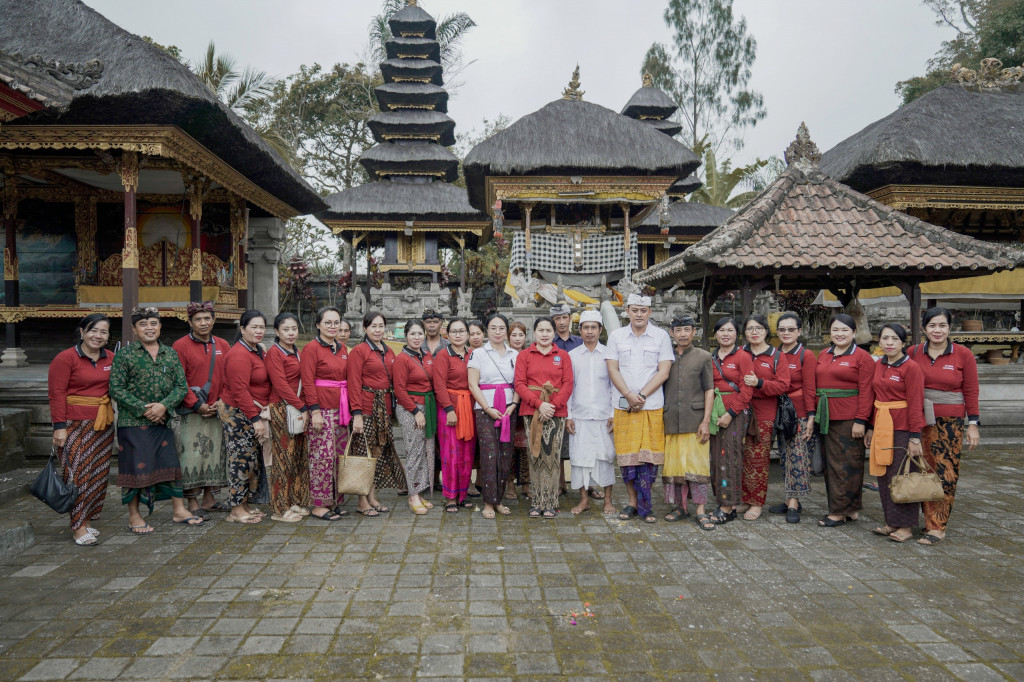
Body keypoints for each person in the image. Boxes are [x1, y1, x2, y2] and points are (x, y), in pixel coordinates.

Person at [109, 307, 199, 533]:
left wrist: (163, 407)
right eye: (143, 324)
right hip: (133, 422)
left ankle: (178, 511)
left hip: (163, 421)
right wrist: (144, 408)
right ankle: (134, 515)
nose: (149, 328)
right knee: (135, 469)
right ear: (134, 329)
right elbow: (116, 388)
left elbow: (181, 386)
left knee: (170, 465)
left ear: (160, 326)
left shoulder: (171, 353)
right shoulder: (125, 355)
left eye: (153, 323)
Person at [907, 307, 980, 545]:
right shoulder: (913, 352)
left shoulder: (962, 354)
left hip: (950, 423)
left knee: (945, 472)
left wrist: (973, 424)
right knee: (920, 470)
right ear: (923, 328)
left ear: (950, 328)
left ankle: (937, 526)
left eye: (942, 325)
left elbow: (971, 390)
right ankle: (918, 519)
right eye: (932, 326)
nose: (937, 330)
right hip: (918, 421)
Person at [48, 314, 116, 545]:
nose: (98, 336)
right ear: (82, 332)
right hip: (73, 424)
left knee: (97, 474)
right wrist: (59, 427)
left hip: (102, 424)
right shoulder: (65, 359)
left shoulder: (111, 358)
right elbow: (56, 394)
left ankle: (86, 520)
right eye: (93, 330)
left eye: (103, 332)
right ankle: (77, 527)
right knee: (76, 474)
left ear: (108, 336)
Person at [607, 294, 674, 524]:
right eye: (634, 310)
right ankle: (632, 502)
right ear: (627, 311)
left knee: (648, 458)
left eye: (643, 310)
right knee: (628, 459)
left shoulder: (661, 336)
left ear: (650, 312)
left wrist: (642, 395)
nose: (638, 314)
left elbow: (663, 371)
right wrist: (628, 394)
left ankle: (647, 504)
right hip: (624, 407)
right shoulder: (616, 336)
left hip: (651, 406)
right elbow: (612, 369)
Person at [865, 323, 926, 543]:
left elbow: (916, 403)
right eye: (885, 338)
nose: (889, 343)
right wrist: (871, 427)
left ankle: (907, 527)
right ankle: (891, 521)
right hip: (882, 425)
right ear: (879, 341)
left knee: (903, 476)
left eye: (895, 339)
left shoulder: (911, 368)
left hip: (902, 427)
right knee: (884, 475)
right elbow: (875, 399)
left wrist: (914, 436)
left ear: (903, 343)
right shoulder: (879, 364)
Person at [815, 313, 875, 528]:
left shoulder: (862, 357)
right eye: (835, 330)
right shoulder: (824, 354)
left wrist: (862, 420)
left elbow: (867, 391)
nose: (839, 334)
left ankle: (840, 512)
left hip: (850, 418)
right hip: (826, 417)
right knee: (832, 465)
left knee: (848, 464)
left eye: (844, 330)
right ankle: (849, 508)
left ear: (854, 332)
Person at [171, 301, 229, 518]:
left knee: (213, 455)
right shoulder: (180, 346)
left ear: (214, 320)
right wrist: (196, 404)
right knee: (191, 457)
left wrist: (221, 401)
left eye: (207, 318)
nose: (203, 323)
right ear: (190, 322)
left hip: (216, 409)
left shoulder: (223, 344)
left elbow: (228, 376)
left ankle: (210, 498)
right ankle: (192, 502)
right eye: (198, 319)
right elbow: (179, 381)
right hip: (191, 412)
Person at [514, 317, 573, 518]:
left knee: (553, 456)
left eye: (549, 330)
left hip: (557, 412)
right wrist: (540, 404)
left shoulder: (562, 355)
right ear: (535, 333)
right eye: (541, 330)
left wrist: (552, 406)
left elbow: (568, 384)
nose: (545, 334)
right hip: (532, 410)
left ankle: (550, 501)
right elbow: (520, 384)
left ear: (554, 333)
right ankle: (537, 500)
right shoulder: (525, 355)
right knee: (535, 454)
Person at [348, 311, 405, 516]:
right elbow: (353, 383)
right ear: (365, 328)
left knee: (378, 454)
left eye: (381, 326)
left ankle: (372, 496)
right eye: (373, 326)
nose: (378, 330)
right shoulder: (359, 351)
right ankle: (361, 501)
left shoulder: (388, 350)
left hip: (384, 409)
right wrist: (356, 414)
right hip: (365, 409)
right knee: (364, 453)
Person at [660, 315, 714, 529]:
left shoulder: (703, 357)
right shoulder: (665, 358)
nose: (682, 334)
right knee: (674, 466)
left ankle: (700, 509)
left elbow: (709, 389)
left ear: (694, 332)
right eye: (678, 330)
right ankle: (679, 506)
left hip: (695, 419)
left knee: (697, 466)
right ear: (672, 333)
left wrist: (706, 421)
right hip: (671, 418)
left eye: (687, 330)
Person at [219, 310, 273, 524]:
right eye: (254, 327)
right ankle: (235, 509)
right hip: (238, 413)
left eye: (262, 327)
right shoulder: (238, 354)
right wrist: (254, 419)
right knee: (240, 460)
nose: (259, 331)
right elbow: (240, 390)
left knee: (251, 461)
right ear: (242, 329)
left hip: (251, 410)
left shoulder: (257, 350)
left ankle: (244, 503)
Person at [300, 306, 350, 521]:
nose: (333, 326)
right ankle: (319, 504)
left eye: (336, 322)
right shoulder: (311, 348)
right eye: (328, 322)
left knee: (339, 457)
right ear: (318, 324)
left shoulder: (342, 348)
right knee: (322, 457)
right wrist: (315, 411)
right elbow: (308, 381)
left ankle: (335, 500)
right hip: (322, 409)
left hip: (341, 408)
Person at [739, 314, 791, 521]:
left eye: (759, 328)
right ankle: (744, 497)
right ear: (744, 332)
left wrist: (759, 383)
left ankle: (756, 502)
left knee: (758, 459)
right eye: (750, 328)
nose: (754, 332)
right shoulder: (739, 353)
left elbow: (783, 385)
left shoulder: (776, 356)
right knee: (740, 457)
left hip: (764, 413)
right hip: (739, 410)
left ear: (766, 332)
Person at [468, 313, 519, 519]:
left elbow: (519, 383)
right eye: (493, 328)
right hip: (485, 409)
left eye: (501, 328)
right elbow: (473, 384)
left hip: (508, 409)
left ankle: (498, 499)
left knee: (505, 454)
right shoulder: (478, 354)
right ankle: (488, 502)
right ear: (487, 331)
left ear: (506, 331)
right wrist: (488, 408)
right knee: (489, 454)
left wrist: (514, 404)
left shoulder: (515, 355)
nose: (497, 332)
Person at [768, 312, 817, 524]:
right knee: (784, 456)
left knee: (798, 457)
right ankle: (788, 499)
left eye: (791, 329)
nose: (786, 333)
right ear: (776, 332)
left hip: (798, 413)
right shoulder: (774, 353)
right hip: (778, 412)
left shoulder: (805, 355)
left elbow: (809, 388)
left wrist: (810, 416)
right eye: (782, 329)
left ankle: (795, 503)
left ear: (799, 331)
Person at [565, 310, 616, 515]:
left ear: (600, 330)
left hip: (604, 416)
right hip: (579, 415)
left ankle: (608, 501)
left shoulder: (610, 355)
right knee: (579, 459)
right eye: (585, 327)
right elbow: (568, 387)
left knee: (606, 458)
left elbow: (615, 386)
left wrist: (614, 413)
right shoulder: (572, 356)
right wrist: (568, 415)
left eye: (594, 327)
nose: (589, 331)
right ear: (579, 330)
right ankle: (584, 500)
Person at [264, 312, 312, 523]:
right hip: (283, 408)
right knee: (283, 458)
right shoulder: (275, 353)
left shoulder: (297, 351)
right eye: (286, 329)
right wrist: (301, 406)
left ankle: (294, 499)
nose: (291, 333)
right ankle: (279, 508)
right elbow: (280, 384)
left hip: (299, 409)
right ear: (276, 331)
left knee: (297, 457)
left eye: (294, 329)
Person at [707, 316, 754, 525]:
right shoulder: (711, 357)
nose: (725, 334)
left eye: (730, 330)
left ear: (737, 334)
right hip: (714, 413)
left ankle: (729, 507)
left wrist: (731, 413)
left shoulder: (743, 356)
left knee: (730, 459)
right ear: (715, 333)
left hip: (734, 414)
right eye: (721, 330)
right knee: (716, 460)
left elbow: (747, 390)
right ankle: (721, 502)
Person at [393, 319, 436, 515]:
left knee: (425, 450)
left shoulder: (426, 355)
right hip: (410, 407)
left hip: (427, 405)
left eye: (420, 334)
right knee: (414, 450)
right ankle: (412, 495)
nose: (417, 337)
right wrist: (415, 411)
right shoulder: (402, 359)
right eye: (413, 334)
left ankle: (420, 491)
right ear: (406, 335)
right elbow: (399, 390)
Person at [433, 318, 476, 511]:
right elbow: (439, 385)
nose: (458, 335)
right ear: (447, 335)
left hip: (470, 407)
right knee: (451, 453)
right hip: (449, 408)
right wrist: (449, 409)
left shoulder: (474, 355)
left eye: (461, 331)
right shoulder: (443, 355)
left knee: (467, 452)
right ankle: (451, 496)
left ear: (468, 334)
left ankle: (463, 494)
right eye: (454, 331)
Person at [507, 321, 531, 500]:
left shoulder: (530, 353)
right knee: (509, 446)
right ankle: (509, 485)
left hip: (527, 402)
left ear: (525, 337)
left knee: (526, 446)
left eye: (520, 335)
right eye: (513, 335)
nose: (517, 338)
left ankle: (526, 484)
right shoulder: (504, 354)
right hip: (507, 403)